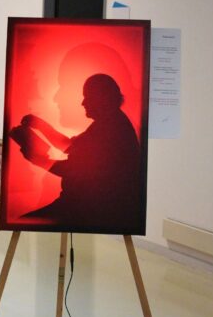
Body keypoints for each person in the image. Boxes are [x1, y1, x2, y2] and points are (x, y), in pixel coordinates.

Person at [9, 73, 142, 231]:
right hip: (85, 207)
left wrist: (38, 158)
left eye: (87, 97)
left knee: (24, 222)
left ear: (101, 99)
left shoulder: (109, 128)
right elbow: (72, 147)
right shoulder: (111, 122)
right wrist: (40, 126)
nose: (83, 103)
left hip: (85, 210)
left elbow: (72, 169)